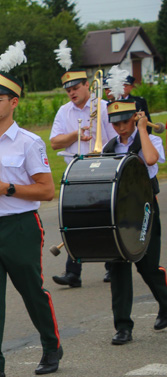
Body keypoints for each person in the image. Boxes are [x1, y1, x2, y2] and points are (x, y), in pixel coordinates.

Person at [0, 66, 63, 377]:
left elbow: (47, 190)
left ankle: (51, 345)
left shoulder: (29, 142)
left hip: (21, 227)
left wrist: (8, 189)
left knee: (32, 292)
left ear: (13, 102)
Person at [102, 100, 167, 345]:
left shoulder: (150, 140)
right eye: (115, 123)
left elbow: (150, 160)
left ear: (135, 118)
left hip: (145, 209)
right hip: (119, 213)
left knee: (148, 266)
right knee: (118, 265)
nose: (120, 127)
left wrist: (142, 129)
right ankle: (123, 326)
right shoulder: (110, 147)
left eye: (125, 121)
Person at [49, 69, 117, 287]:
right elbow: (54, 142)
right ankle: (73, 273)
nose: (72, 93)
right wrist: (76, 135)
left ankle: (112, 266)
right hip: (76, 171)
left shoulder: (104, 107)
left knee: (104, 218)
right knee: (74, 220)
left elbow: (116, 140)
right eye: (68, 90)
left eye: (75, 88)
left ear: (87, 85)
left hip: (102, 169)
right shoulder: (63, 111)